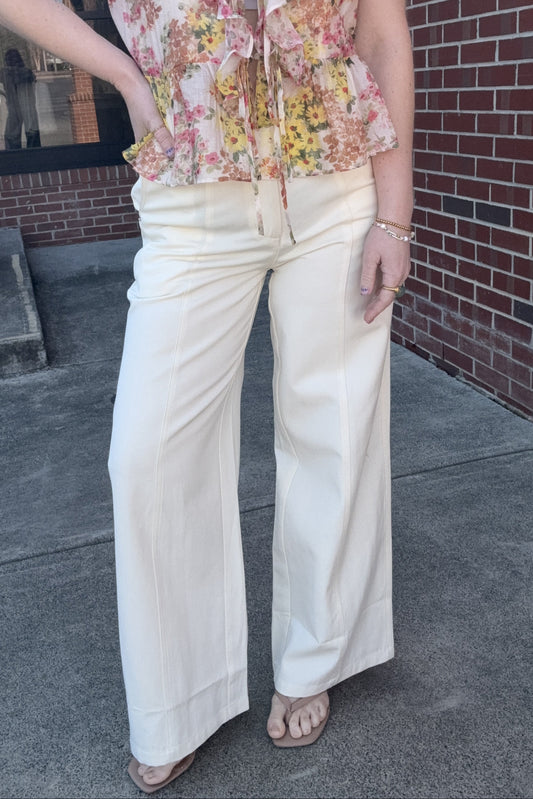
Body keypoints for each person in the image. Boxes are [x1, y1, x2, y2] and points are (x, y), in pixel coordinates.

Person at [0, 0, 413, 792]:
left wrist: (393, 216)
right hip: (191, 185)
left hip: (335, 178)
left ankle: (314, 654)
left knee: (333, 425)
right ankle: (174, 699)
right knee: (148, 454)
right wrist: (122, 71)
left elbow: (382, 29)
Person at [1, 47, 41, 148]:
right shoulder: (27, 72)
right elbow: (33, 84)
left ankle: (14, 157)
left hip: (15, 108)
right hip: (26, 108)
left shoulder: (5, 73)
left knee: (12, 134)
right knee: (31, 131)